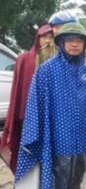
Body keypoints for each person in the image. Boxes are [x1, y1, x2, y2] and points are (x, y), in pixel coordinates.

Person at [14, 23, 86, 189]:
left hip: (81, 140)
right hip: (57, 140)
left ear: (84, 45)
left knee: (76, 185)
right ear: (61, 43)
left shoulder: (85, 71)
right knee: (58, 188)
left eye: (79, 40)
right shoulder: (47, 70)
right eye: (69, 39)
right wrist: (35, 137)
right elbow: (35, 105)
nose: (74, 44)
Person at [0, 25, 53, 174]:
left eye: (51, 38)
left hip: (49, 115)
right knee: (27, 149)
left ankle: (47, 184)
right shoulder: (24, 59)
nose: (48, 41)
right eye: (44, 37)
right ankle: (28, 184)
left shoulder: (57, 60)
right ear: (38, 38)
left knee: (48, 151)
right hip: (27, 114)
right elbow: (18, 88)